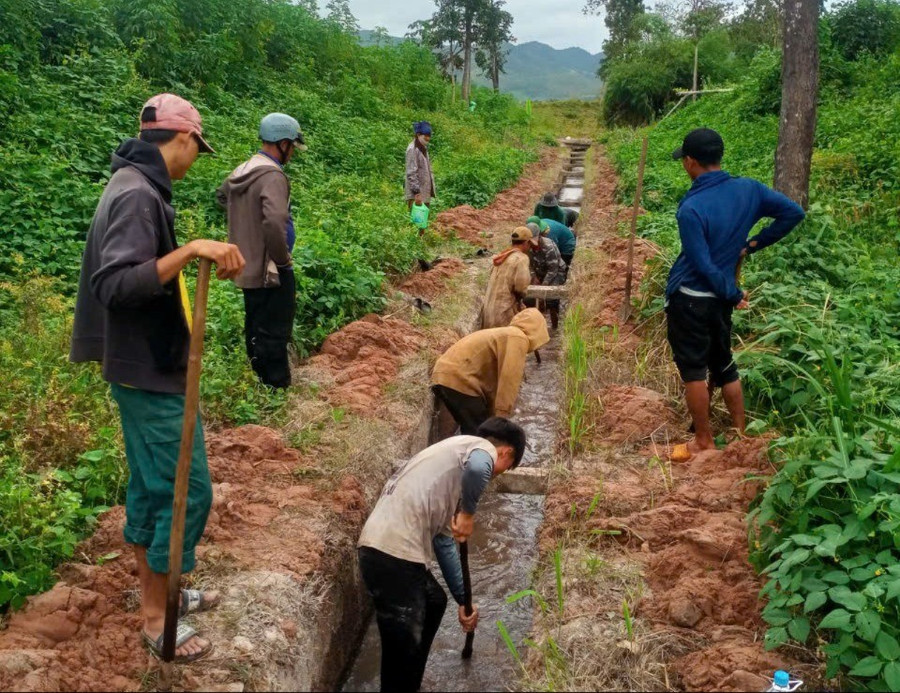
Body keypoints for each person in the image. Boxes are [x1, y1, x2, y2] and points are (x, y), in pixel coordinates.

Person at [70, 93, 246, 661]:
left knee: (153, 486)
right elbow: (115, 284)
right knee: (185, 491)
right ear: (184, 138)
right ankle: (155, 616)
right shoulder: (136, 195)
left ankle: (164, 592)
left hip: (146, 362)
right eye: (198, 148)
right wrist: (191, 249)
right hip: (145, 369)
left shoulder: (135, 184)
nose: (195, 160)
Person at [357, 417, 527, 693]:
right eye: (506, 468)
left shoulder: (453, 459)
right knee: (401, 648)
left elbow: (444, 542)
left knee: (435, 601)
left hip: (385, 551)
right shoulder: (480, 449)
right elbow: (479, 468)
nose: (498, 474)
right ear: (506, 453)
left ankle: (411, 682)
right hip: (393, 554)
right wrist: (468, 514)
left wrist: (464, 601)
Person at [667, 128, 805, 460]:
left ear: (690, 162)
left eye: (684, 160)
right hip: (719, 301)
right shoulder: (749, 189)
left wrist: (732, 292)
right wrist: (751, 245)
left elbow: (701, 263)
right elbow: (793, 213)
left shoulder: (691, 208)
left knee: (694, 370)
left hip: (690, 298)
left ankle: (703, 441)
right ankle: (741, 434)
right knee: (724, 363)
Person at [217, 113, 306, 389]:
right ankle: (276, 385)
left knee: (255, 323)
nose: (292, 153)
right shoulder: (272, 175)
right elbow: (275, 221)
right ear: (283, 143)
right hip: (271, 268)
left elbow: (222, 196)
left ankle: (257, 381)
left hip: (247, 264)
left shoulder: (243, 169)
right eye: (292, 147)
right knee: (276, 328)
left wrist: (244, 227)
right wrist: (282, 260)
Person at [431, 308, 549, 436]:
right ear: (538, 330)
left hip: (445, 376)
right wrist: (501, 417)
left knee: (472, 431)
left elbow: (493, 383)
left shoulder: (506, 335)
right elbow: (509, 380)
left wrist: (493, 414)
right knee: (481, 435)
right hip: (459, 379)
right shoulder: (518, 338)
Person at [481, 226, 532, 329]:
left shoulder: (502, 256)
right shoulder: (521, 259)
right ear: (526, 243)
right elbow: (521, 288)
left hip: (488, 313)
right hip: (504, 314)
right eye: (530, 244)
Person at [525, 221, 567, 329]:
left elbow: (553, 269)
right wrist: (534, 277)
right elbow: (529, 265)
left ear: (538, 237)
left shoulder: (548, 246)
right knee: (529, 298)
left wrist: (544, 285)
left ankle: (555, 326)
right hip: (539, 271)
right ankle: (537, 324)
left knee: (551, 299)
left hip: (556, 272)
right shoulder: (527, 246)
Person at [405, 121, 436, 211]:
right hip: (416, 195)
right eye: (425, 136)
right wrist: (417, 193)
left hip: (424, 193)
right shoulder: (412, 149)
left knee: (423, 217)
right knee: (416, 217)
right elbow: (411, 173)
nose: (428, 138)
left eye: (429, 136)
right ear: (418, 135)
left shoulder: (423, 148)